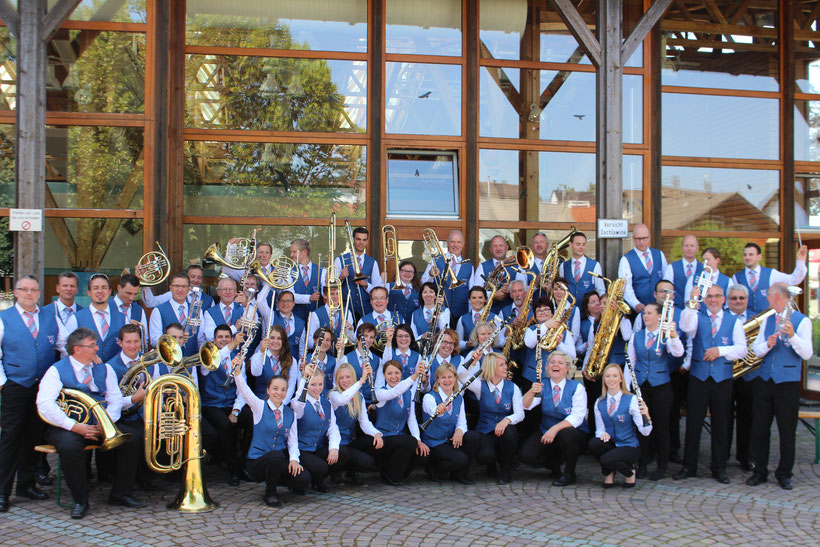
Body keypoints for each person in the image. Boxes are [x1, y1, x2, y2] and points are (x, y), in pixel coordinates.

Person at [36, 328, 145, 518]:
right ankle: (80, 500)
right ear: (77, 349)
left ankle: (121, 493)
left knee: (133, 438)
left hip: (99, 423)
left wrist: (106, 423)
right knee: (70, 446)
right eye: (92, 345)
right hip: (68, 426)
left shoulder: (104, 369)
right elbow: (44, 404)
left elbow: (115, 399)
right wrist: (75, 426)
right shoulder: (56, 370)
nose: (97, 349)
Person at [674, 285, 746, 483]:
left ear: (724, 299)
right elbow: (686, 326)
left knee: (721, 424)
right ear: (705, 299)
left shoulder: (734, 321)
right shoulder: (697, 316)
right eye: (709, 297)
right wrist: (691, 302)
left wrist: (720, 351)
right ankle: (689, 466)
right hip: (699, 377)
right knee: (693, 423)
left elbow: (741, 349)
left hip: (722, 379)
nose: (713, 300)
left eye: (716, 296)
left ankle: (719, 467)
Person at [0, 276, 60, 511]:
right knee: (9, 439)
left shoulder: (49, 316)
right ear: (15, 292)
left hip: (41, 388)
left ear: (39, 293)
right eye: (24, 290)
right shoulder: (4, 319)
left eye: (33, 290)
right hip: (15, 386)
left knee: (33, 438)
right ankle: (3, 492)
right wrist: (4, 383)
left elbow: (64, 345)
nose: (29, 294)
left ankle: (26, 485)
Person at [747, 283, 813, 490]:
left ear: (777, 297)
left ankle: (785, 473)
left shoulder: (802, 321)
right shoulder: (767, 320)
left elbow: (807, 354)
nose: (767, 299)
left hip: (787, 383)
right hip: (765, 381)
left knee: (787, 429)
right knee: (759, 428)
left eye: (769, 296)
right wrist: (767, 344)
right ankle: (760, 471)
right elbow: (755, 351)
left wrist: (792, 336)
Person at [232, 371, 309, 507]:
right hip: (257, 462)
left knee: (303, 479)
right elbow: (245, 392)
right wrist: (237, 374)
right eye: (275, 388)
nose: (279, 393)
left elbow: (292, 441)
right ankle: (270, 493)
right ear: (268, 390)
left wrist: (294, 460)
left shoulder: (290, 413)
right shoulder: (260, 406)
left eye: (283, 390)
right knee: (276, 456)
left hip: (277, 461)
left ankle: (277, 479)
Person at [626, 302, 683, 481]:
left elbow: (678, 352)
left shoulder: (665, 335)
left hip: (661, 385)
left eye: (649, 313)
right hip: (642, 386)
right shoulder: (637, 336)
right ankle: (641, 463)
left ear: (659, 316)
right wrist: (628, 388)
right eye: (645, 313)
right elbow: (631, 364)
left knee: (661, 426)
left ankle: (662, 465)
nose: (645, 316)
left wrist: (673, 336)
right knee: (642, 424)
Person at [520, 351, 588, 487]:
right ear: (548, 366)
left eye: (560, 363)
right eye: (552, 362)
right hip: (547, 430)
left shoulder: (577, 387)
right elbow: (526, 406)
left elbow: (577, 417)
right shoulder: (543, 385)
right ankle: (554, 465)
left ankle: (569, 473)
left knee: (566, 435)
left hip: (572, 432)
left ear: (567, 368)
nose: (555, 365)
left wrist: (554, 429)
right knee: (526, 455)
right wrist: (531, 391)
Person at [588, 364, 653, 488]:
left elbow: (645, 432)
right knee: (594, 444)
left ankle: (629, 473)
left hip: (629, 446)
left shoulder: (631, 399)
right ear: (604, 380)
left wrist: (647, 416)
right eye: (608, 376)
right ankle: (609, 472)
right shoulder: (599, 402)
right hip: (612, 443)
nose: (611, 379)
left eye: (615, 376)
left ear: (621, 379)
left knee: (606, 459)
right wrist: (603, 434)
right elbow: (599, 429)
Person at [467, 353, 523, 485]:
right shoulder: (480, 386)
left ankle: (506, 470)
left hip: (505, 431)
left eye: (505, 364)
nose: (506, 368)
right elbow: (463, 376)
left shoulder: (512, 387)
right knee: (485, 456)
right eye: (502, 365)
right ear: (492, 368)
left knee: (510, 433)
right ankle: (491, 463)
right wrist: (473, 361)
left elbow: (520, 414)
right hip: (486, 430)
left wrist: (506, 420)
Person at [369, 359, 427, 486]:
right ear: (384, 375)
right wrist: (415, 375)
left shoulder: (409, 392)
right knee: (409, 442)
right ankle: (392, 475)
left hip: (399, 438)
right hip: (383, 439)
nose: (393, 377)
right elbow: (394, 393)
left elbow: (411, 418)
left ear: (401, 374)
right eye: (389, 373)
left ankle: (394, 474)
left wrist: (418, 440)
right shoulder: (380, 393)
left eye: (397, 373)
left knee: (422, 452)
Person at [199, 324, 245, 486]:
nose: (224, 340)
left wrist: (236, 411)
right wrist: (231, 345)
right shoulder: (207, 356)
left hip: (231, 403)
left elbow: (242, 389)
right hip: (211, 405)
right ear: (214, 340)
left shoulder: (238, 357)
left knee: (251, 419)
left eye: (227, 337)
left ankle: (246, 463)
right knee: (225, 425)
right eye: (220, 337)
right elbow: (210, 366)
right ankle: (233, 469)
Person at [420, 363, 480, 484]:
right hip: (435, 442)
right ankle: (434, 468)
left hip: (449, 439)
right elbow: (431, 409)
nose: (447, 380)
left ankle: (461, 474)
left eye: (450, 377)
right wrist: (438, 410)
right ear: (437, 380)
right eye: (443, 377)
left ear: (455, 378)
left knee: (473, 437)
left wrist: (459, 431)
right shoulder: (429, 397)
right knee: (461, 459)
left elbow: (462, 422)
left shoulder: (459, 398)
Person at [291, 368, 346, 493]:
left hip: (318, 447)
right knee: (320, 467)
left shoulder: (327, 403)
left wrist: (333, 448)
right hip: (302, 450)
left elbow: (333, 428)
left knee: (342, 452)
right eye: (313, 384)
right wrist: (304, 379)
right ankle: (305, 480)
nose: (317, 388)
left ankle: (318, 480)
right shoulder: (300, 403)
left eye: (320, 384)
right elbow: (297, 403)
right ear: (306, 385)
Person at [329, 362, 380, 485]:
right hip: (334, 443)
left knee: (371, 447)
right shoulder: (334, 395)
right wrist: (362, 380)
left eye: (348, 377)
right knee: (344, 453)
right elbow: (343, 399)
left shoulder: (359, 396)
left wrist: (377, 434)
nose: (345, 380)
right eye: (341, 378)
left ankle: (351, 472)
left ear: (353, 377)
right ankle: (334, 472)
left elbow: (364, 423)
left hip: (348, 441)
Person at [61, 273, 125, 362]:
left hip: (117, 373)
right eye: (95, 288)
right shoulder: (75, 319)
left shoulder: (123, 319)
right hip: (86, 372)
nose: (100, 291)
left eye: (104, 288)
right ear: (89, 292)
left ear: (110, 291)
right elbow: (66, 349)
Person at [725, 284, 755, 471]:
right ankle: (722, 457)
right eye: (734, 298)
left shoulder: (755, 318)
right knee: (724, 418)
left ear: (747, 300)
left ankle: (746, 457)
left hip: (748, 376)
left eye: (741, 298)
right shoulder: (721, 317)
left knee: (747, 418)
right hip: (726, 375)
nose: (737, 302)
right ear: (728, 301)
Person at [731, 242, 808, 314]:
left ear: (759, 257)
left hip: (768, 320)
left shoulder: (771, 274)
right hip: (746, 322)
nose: (747, 257)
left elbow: (794, 280)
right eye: (745, 255)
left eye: (751, 254)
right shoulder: (737, 277)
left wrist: (800, 261)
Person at [521, 298, 576, 393]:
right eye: (539, 310)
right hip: (532, 378)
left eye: (546, 309)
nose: (542, 312)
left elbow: (572, 356)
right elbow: (529, 343)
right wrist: (546, 325)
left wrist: (559, 344)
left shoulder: (563, 330)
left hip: (555, 378)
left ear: (552, 313)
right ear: (535, 315)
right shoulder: (531, 329)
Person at [421, 229, 474, 321]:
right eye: (453, 242)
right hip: (439, 312)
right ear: (448, 243)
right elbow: (423, 282)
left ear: (463, 244)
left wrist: (470, 313)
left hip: (461, 313)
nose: (455, 245)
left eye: (458, 242)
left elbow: (472, 291)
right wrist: (430, 274)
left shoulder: (469, 266)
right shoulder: (435, 260)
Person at [148, 273, 205, 357]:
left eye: (184, 286)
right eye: (176, 286)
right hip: (168, 361)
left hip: (190, 363)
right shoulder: (158, 311)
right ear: (170, 288)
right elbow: (154, 340)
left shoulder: (197, 311)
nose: (180, 289)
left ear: (189, 289)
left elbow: (200, 339)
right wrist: (173, 341)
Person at [335, 226, 383, 319]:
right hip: (346, 308)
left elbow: (378, 289)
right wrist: (341, 277)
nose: (361, 242)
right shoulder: (340, 260)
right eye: (358, 239)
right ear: (353, 240)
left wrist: (365, 284)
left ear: (367, 241)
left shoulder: (372, 262)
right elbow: (331, 286)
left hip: (366, 309)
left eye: (364, 240)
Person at [619, 224, 668, 312]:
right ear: (633, 238)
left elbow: (666, 279)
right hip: (638, 309)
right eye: (638, 239)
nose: (641, 242)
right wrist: (635, 304)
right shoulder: (626, 259)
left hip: (659, 308)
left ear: (649, 237)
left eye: (644, 238)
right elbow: (626, 286)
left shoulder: (659, 254)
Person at [249, 325, 298, 404]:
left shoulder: (292, 360)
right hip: (261, 403)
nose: (275, 341)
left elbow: (291, 386)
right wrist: (261, 352)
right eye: (272, 338)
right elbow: (255, 372)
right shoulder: (257, 357)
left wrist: (282, 404)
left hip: (282, 403)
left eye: (279, 338)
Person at [470, 235, 518, 313]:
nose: (498, 248)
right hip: (489, 313)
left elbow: (523, 289)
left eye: (501, 245)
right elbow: (476, 292)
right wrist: (493, 295)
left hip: (511, 313)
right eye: (495, 246)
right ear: (491, 249)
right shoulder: (482, 267)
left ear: (507, 248)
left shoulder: (517, 266)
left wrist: (511, 289)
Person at [141, 264, 214, 311]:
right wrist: (145, 282)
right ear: (186, 277)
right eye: (192, 276)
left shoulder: (209, 300)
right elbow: (151, 303)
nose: (196, 280)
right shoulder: (173, 294)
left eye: (199, 277)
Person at [337, 323, 378, 404]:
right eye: (365, 336)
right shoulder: (346, 358)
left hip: (372, 402)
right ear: (359, 337)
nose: (368, 340)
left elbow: (378, 384)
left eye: (371, 337)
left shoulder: (378, 360)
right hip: (352, 402)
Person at [306, 284, 355, 351]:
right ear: (325, 295)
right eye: (332, 294)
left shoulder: (347, 312)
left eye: (337, 293)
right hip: (323, 356)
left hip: (342, 355)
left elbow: (353, 340)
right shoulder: (316, 314)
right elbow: (310, 341)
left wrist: (351, 330)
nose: (335, 297)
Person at [560, 232, 604, 304]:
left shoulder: (595, 265)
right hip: (569, 311)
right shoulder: (563, 266)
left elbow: (600, 290)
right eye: (578, 244)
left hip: (588, 311)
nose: (581, 247)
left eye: (583, 244)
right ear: (570, 245)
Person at [662, 235, 703, 310]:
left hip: (697, 311)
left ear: (697, 249)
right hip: (676, 310)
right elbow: (667, 291)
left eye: (692, 246)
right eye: (686, 245)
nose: (689, 248)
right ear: (682, 248)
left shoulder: (703, 269)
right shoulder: (671, 268)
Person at [286, 238, 322, 323]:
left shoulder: (322, 271)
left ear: (304, 252)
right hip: (295, 319)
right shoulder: (289, 271)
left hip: (315, 318)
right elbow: (289, 296)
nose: (291, 255)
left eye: (294, 252)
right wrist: (309, 298)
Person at [456, 286, 501, 352]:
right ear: (469, 300)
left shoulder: (495, 317)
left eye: (480, 297)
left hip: (490, 356)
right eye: (474, 298)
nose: (477, 300)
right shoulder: (462, 319)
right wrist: (466, 344)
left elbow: (501, 341)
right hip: (470, 356)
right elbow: (458, 343)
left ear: (485, 299)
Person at [264, 291, 306, 359]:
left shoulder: (301, 323)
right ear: (277, 303)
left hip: (292, 364)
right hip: (272, 361)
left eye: (288, 301)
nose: (285, 303)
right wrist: (269, 283)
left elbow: (301, 349)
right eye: (282, 301)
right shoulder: (271, 316)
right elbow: (260, 301)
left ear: (293, 303)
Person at [378, 324, 422, 389]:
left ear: (411, 338)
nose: (403, 339)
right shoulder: (389, 353)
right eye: (400, 336)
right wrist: (389, 340)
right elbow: (385, 364)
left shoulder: (417, 356)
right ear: (395, 338)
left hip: (410, 395)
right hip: (391, 394)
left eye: (407, 336)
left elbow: (417, 381)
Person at [203, 277, 244, 341]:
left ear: (236, 292)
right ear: (218, 292)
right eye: (224, 289)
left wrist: (246, 304)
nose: (228, 292)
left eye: (231, 289)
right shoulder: (209, 312)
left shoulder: (243, 309)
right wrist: (234, 328)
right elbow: (210, 336)